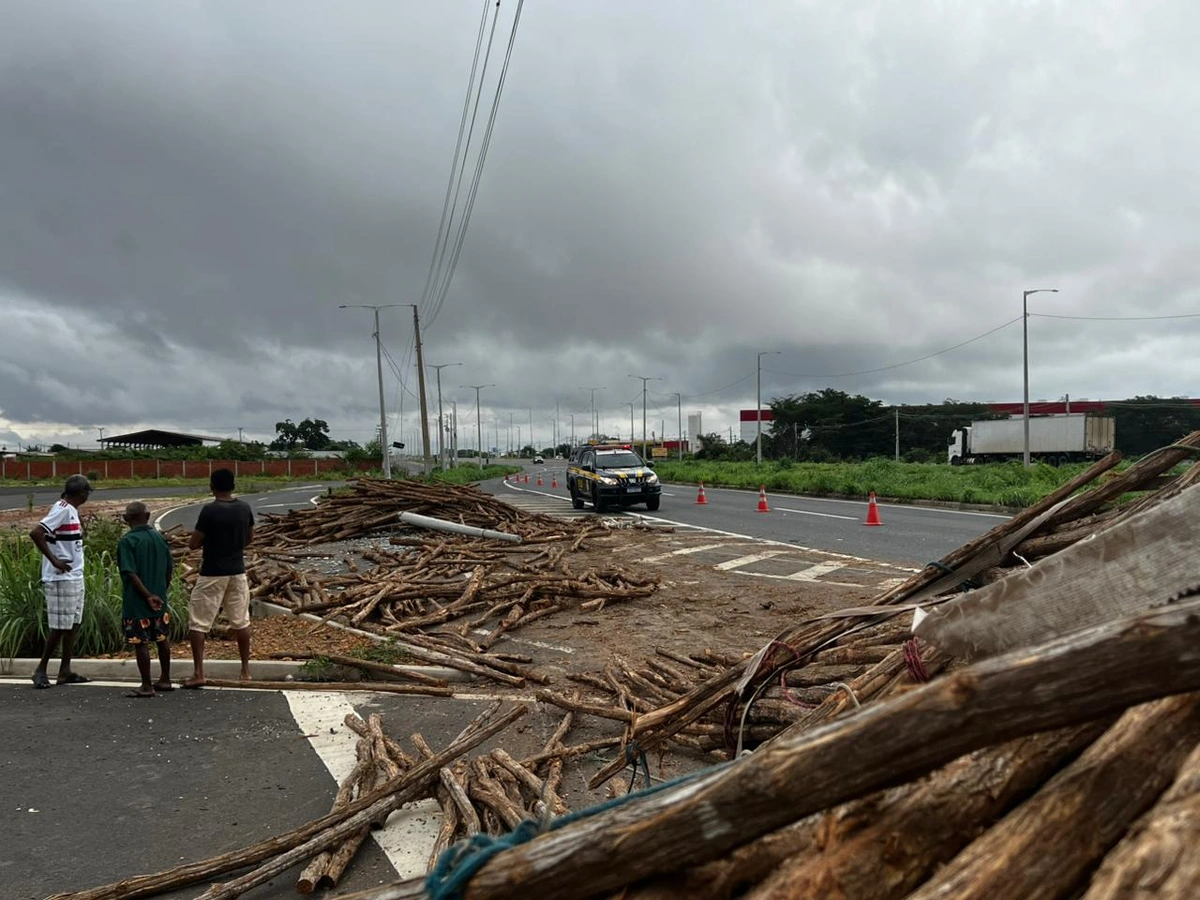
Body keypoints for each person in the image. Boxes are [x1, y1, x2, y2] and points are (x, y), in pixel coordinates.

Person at [182, 468, 254, 688]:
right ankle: (245, 671)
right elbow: (249, 538)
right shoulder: (244, 508)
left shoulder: (209, 511)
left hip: (212, 572)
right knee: (241, 620)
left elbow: (194, 543)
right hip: (237, 571)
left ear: (212, 486)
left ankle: (198, 673)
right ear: (234, 485)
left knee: (199, 623)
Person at [28, 474, 92, 689]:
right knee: (59, 626)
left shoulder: (70, 510)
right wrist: (54, 560)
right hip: (61, 577)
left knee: (73, 622)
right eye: (87, 493)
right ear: (82, 493)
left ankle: (65, 670)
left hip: (74, 575)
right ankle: (41, 669)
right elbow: (36, 533)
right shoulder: (63, 509)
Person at [117, 501, 174, 697]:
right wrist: (160, 592)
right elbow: (169, 569)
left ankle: (146, 685)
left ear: (126, 519)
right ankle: (165, 679)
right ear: (148, 516)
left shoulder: (127, 542)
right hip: (160, 599)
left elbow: (130, 572)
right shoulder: (159, 538)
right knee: (162, 639)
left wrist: (147, 596)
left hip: (137, 602)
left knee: (140, 642)